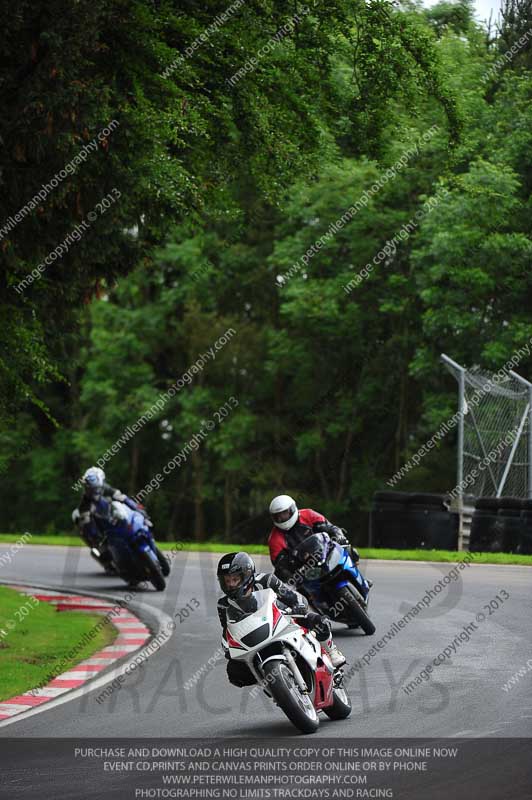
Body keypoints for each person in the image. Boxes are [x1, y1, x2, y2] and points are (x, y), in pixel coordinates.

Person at [216, 551, 346, 688]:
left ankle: (331, 652)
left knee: (319, 621)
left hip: (283, 620)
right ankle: (273, 686)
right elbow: (228, 629)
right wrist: (227, 646)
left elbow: (292, 597)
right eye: (227, 581)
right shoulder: (223, 604)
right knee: (235, 673)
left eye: (235, 579)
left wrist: (298, 607)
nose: (230, 584)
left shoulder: (266, 580)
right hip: (255, 637)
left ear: (247, 575)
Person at [268, 494, 361, 582]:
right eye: (278, 516)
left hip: (326, 552)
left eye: (284, 514)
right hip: (305, 569)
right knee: (289, 583)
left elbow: (330, 527)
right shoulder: (274, 539)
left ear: (292, 509)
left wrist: (338, 535)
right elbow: (280, 566)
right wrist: (287, 571)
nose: (282, 518)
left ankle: (358, 577)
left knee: (350, 550)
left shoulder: (308, 514)